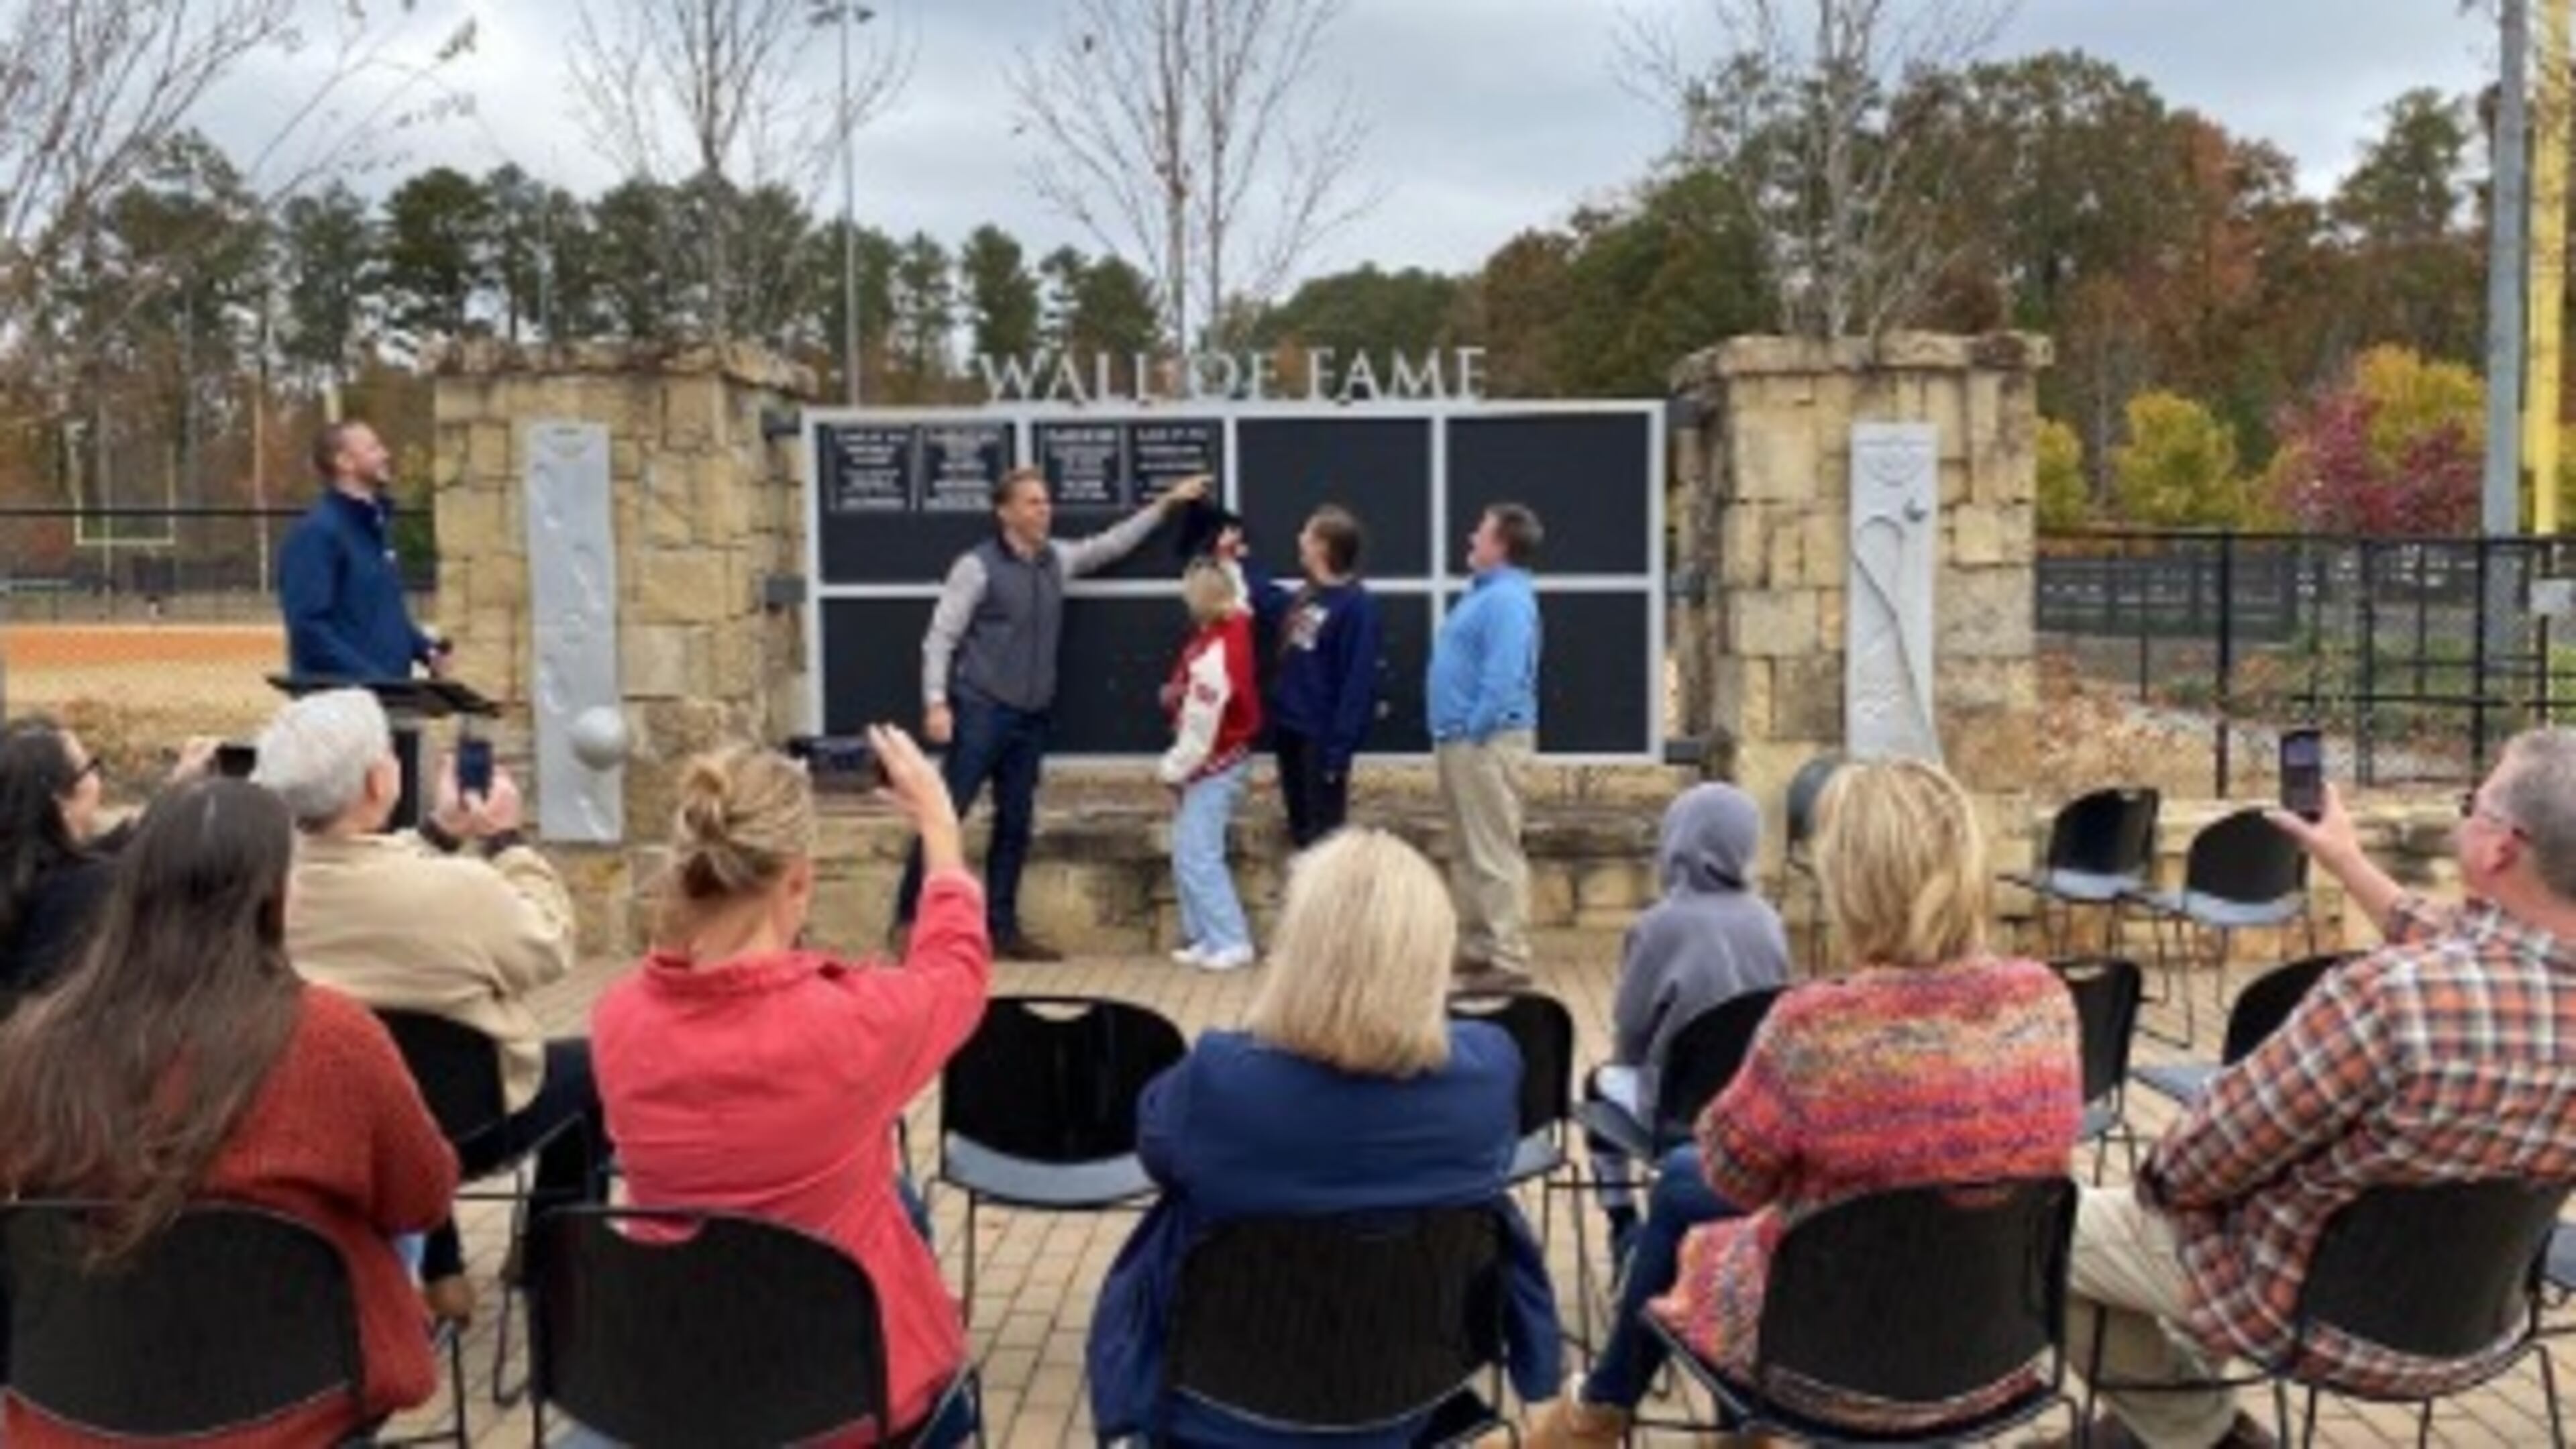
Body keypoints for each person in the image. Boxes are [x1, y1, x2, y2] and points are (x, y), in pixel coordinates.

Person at [1517, 758, 2082, 1446]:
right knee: (1694, 1191)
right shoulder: (2045, 1001)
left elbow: (1734, 1175)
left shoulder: (1817, 1027)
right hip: (1991, 1350)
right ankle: (1621, 1414)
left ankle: (1602, 1414)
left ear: (1852, 879)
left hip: (1829, 1364)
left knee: (1689, 1194)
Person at [2061, 731, 2576, 1449]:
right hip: (2471, 1322)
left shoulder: (2388, 1001)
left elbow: (2197, 1162)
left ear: (2499, 848)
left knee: (2036, 1233)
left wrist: (2166, 1188)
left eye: (2474, 805)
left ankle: (2200, 1432)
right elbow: (2463, 941)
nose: (2465, 816)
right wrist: (2344, 858)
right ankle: (2143, 1426)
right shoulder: (2455, 980)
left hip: (2308, 1315)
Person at [0, 780, 460, 1447]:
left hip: (80, 1409)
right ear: (275, 896)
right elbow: (421, 1199)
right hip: (298, 1406)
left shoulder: (36, 1044)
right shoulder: (333, 1039)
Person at [1087, 827, 1561, 1445]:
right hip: (1408, 1396)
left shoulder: (1222, 1080)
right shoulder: (1487, 1069)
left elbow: (1157, 1147)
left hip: (1217, 1406)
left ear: (1301, 949)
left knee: (1179, 1217)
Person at [592, 727, 989, 1447]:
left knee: (895, 1201)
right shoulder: (849, 1025)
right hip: (842, 1400)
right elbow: (956, 973)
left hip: (680, 1378)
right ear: (799, 880)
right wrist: (938, 826)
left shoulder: (618, 1019)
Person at [251, 687, 599, 1327]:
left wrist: (440, 833)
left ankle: (443, 1271)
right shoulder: (455, 891)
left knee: (392, 1075)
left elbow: (361, 866)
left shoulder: (257, 890)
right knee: (597, 1067)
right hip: (470, 1130)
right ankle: (552, 1253)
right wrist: (506, 841)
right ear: (379, 780)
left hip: (332, 1137)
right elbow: (549, 945)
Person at [894, 466, 1212, 961]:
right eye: (1033, 503)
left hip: (1030, 718)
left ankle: (1001, 931)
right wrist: (936, 701)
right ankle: (911, 926)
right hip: (980, 711)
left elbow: (1110, 545)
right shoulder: (975, 567)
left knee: (1016, 824)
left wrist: (1167, 503)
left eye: (1046, 502)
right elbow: (941, 637)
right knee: (945, 816)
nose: (1045, 510)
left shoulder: (1055, 560)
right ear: (1006, 512)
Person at [1584, 782, 1791, 1259]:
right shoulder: (1769, 921)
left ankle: (1621, 1221)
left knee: (1599, 1083)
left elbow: (1631, 1035)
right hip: (1749, 1103)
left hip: (1675, 1110)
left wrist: (1630, 1063)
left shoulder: (1657, 926)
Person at [0, 720, 215, 1009]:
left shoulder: (24, 866)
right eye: (91, 767)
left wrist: (179, 787)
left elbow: (113, 848)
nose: (97, 777)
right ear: (60, 798)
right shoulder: (87, 889)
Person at [1216, 506, 1383, 848]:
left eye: (1307, 533)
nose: (1299, 540)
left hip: (1320, 739)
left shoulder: (1356, 606)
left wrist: (1339, 753)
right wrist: (1240, 562)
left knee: (1324, 841)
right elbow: (1268, 599)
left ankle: (1330, 902)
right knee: (1301, 832)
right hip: (1291, 731)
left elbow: (1358, 684)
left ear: (1323, 546)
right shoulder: (1309, 596)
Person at [1430, 502, 1544, 990]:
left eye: (1481, 531)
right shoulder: (1487, 595)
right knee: (1469, 849)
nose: (1472, 537)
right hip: (1463, 742)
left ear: (1500, 544)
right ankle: (1478, 950)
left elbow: (1504, 675)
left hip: (1486, 743)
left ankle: (1508, 960)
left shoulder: (1507, 601)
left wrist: (1476, 728)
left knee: (1493, 849)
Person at [279, 420, 448, 682]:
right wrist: (370, 680)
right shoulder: (317, 534)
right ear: (344, 462)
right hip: (342, 706)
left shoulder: (377, 531)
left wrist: (426, 650)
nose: (385, 455)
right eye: (373, 448)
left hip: (387, 698)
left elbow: (384, 617)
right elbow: (308, 629)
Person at [1158, 557, 1262, 971]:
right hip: (1220, 760)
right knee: (1187, 851)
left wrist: (1170, 771)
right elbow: (1243, 597)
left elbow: (1200, 733)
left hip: (1213, 764)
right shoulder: (1235, 623)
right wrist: (1229, 562)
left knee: (1199, 854)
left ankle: (1232, 940)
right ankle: (1204, 935)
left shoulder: (1213, 658)